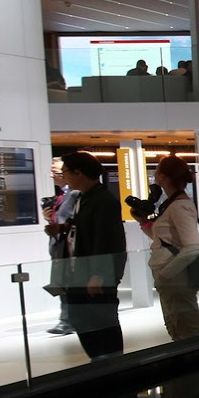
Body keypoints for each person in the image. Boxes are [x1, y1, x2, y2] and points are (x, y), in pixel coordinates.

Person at [57, 151, 127, 359]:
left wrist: (99, 274)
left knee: (102, 320)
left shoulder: (103, 201)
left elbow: (107, 240)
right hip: (80, 272)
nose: (63, 176)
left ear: (78, 173)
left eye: (65, 172)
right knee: (81, 317)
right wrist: (63, 229)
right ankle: (101, 361)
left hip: (94, 274)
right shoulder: (84, 198)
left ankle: (112, 363)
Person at [136, 155, 199, 340]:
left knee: (187, 330)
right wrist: (143, 222)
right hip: (171, 277)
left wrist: (165, 275)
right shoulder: (172, 204)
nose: (155, 176)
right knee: (175, 327)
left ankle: (196, 358)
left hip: (176, 277)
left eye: (157, 171)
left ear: (163, 177)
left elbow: (193, 247)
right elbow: (162, 239)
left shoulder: (179, 206)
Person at [43, 162, 80, 334]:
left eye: (55, 172)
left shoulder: (74, 194)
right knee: (64, 284)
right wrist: (49, 218)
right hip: (61, 247)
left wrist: (59, 227)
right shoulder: (64, 195)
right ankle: (66, 320)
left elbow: (72, 220)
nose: (52, 176)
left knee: (69, 284)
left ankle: (68, 321)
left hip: (69, 248)